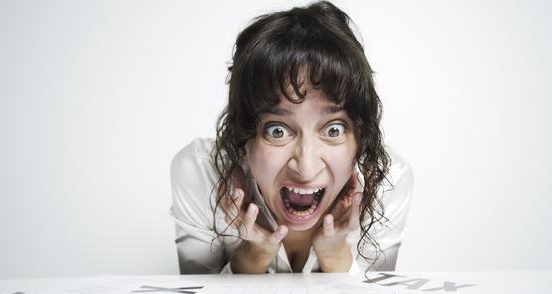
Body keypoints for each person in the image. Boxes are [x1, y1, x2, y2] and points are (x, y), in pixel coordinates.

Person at [170, 1, 413, 274]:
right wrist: (251, 259)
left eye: (334, 130)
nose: (306, 168)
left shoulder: (388, 182)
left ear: (361, 138)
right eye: (278, 131)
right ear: (242, 136)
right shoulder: (202, 173)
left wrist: (335, 256)